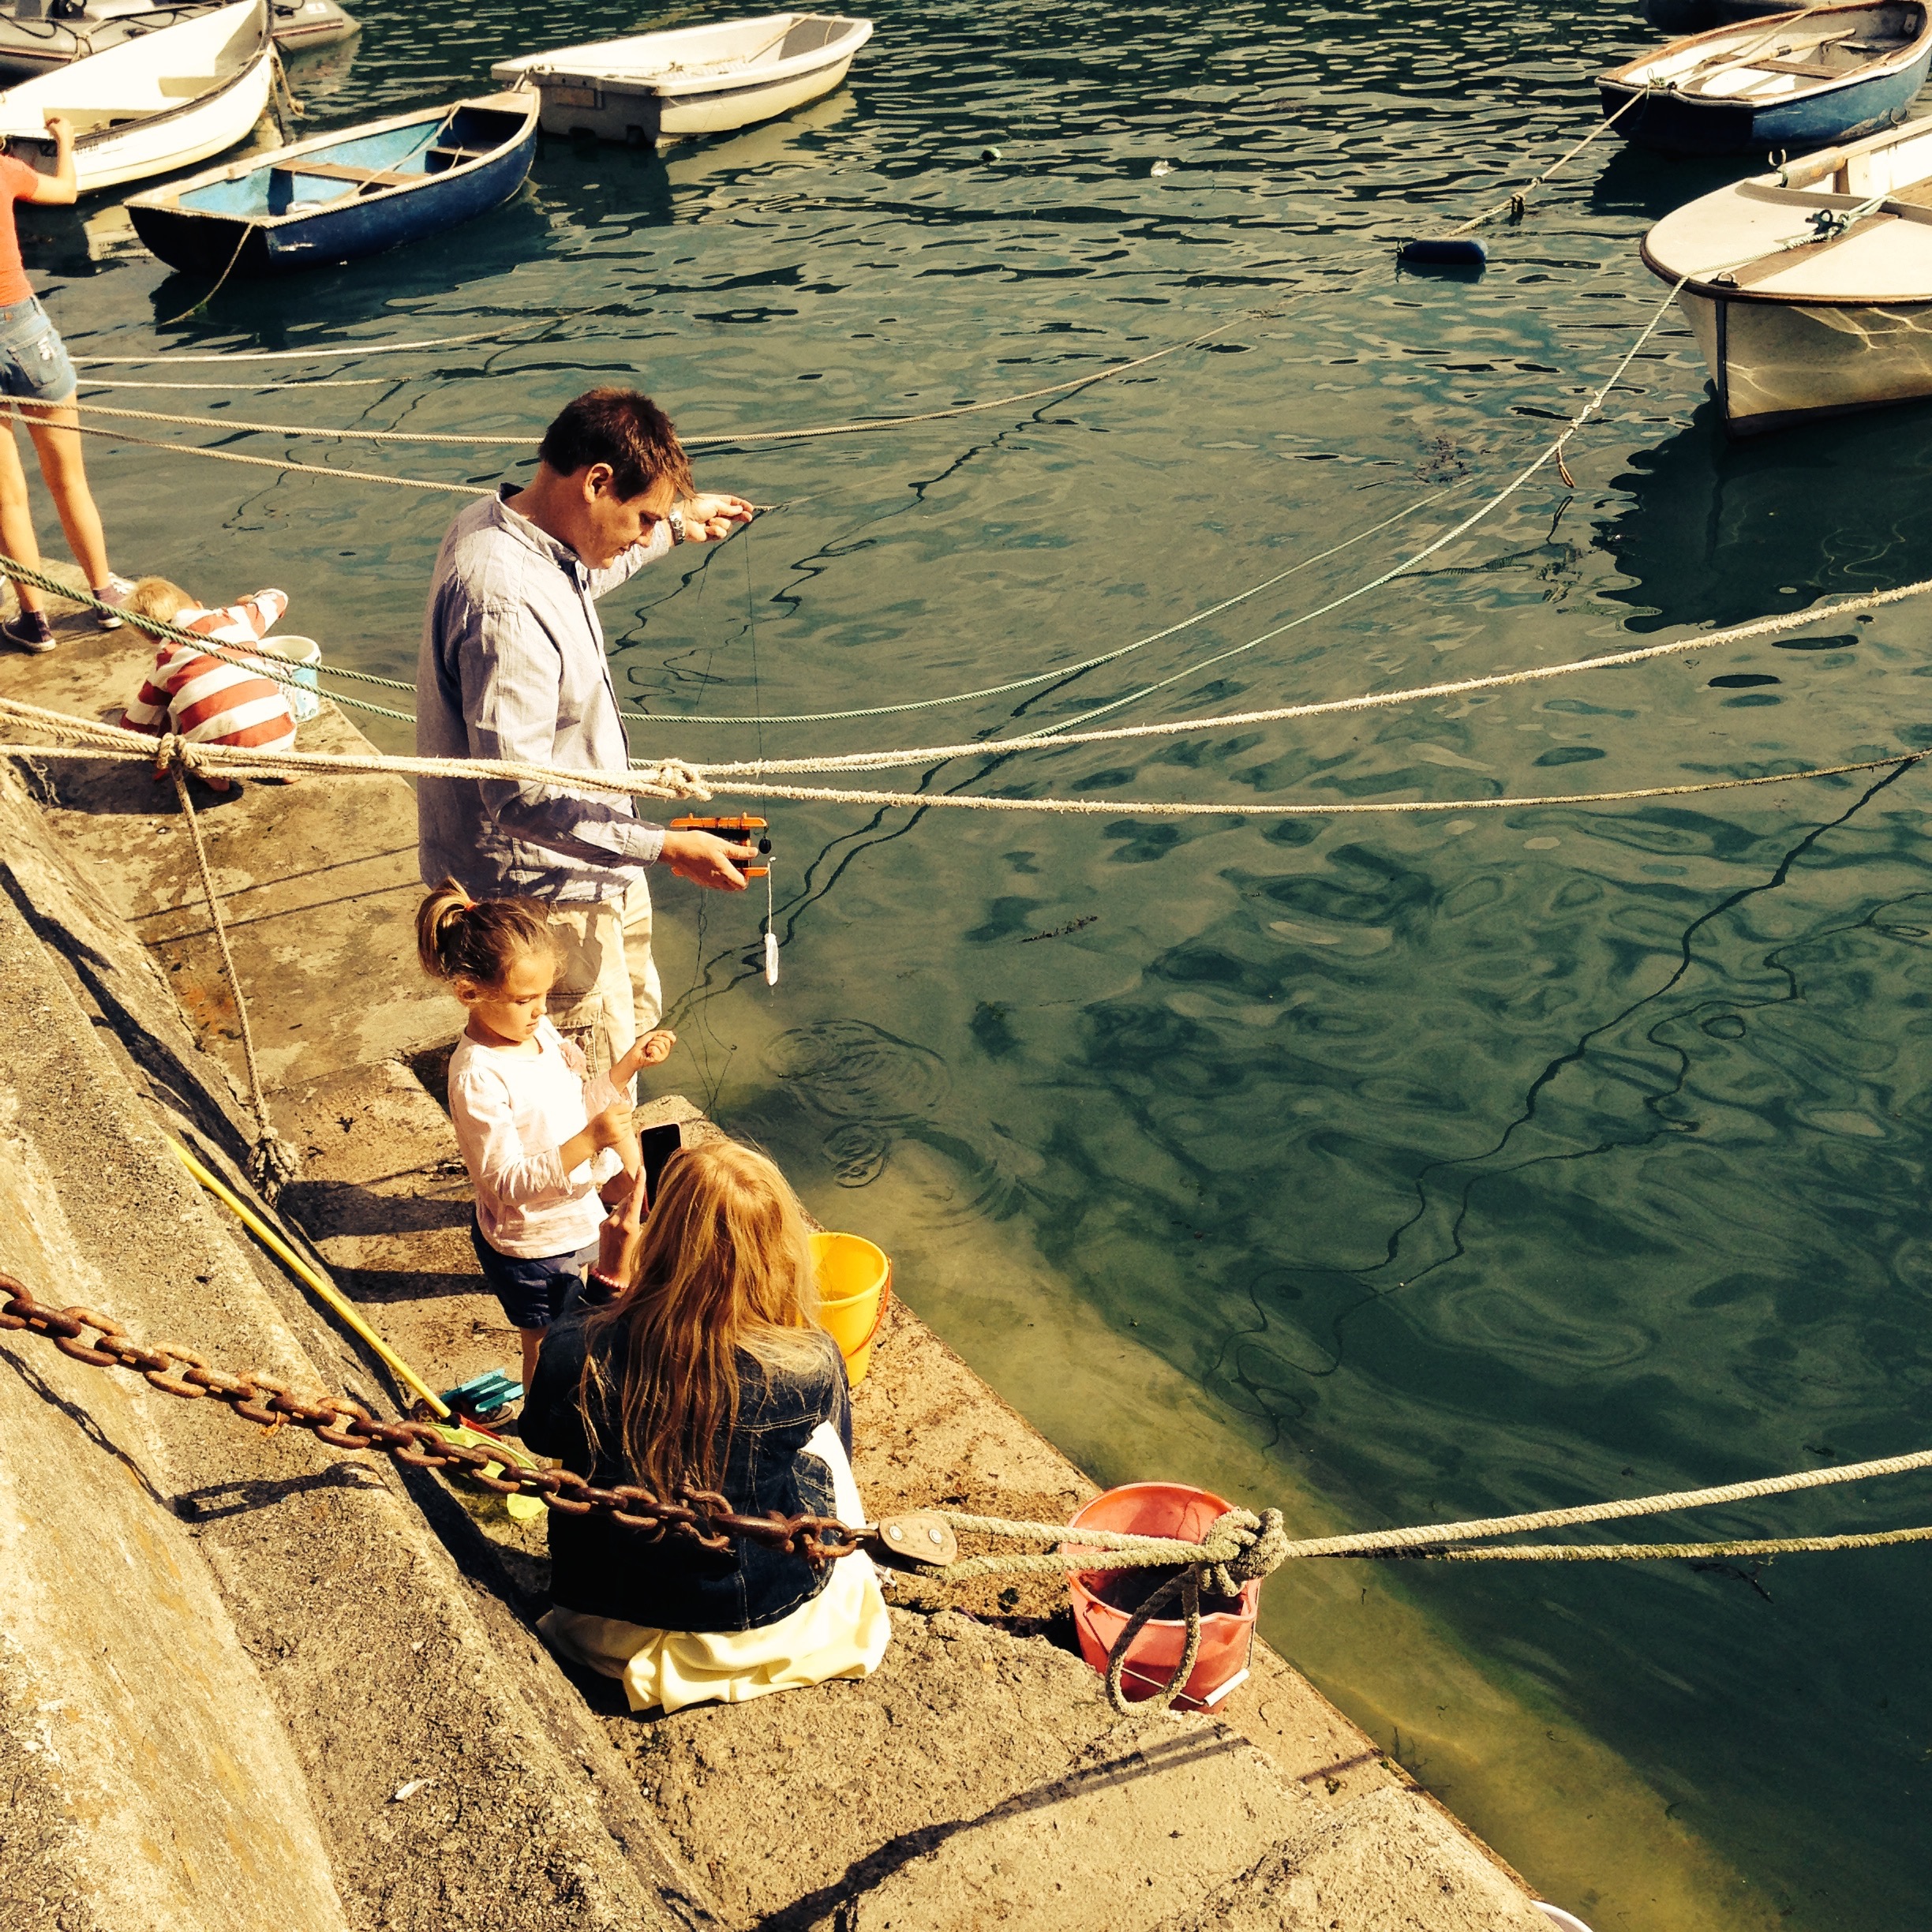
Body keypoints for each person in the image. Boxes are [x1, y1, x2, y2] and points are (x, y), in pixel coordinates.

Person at [417, 386, 757, 1093]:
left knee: (626, 1050)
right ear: (596, 480)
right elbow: (519, 795)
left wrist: (676, 522)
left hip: (593, 870)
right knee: (586, 1096)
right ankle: (595, 1200)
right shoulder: (504, 604)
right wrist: (667, 846)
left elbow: (576, 579)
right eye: (640, 517)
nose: (640, 534)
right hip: (545, 901)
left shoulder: (499, 525)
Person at [523, 1141, 891, 1715]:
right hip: (765, 1615)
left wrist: (602, 1283)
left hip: (606, 1621)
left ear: (661, 1232)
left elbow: (540, 1438)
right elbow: (836, 1451)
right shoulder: (811, 1361)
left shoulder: (579, 1347)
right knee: (822, 1442)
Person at [416, 882, 678, 1390]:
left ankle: (587, 1398)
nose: (540, 1011)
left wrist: (627, 1066)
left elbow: (578, 1103)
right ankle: (543, 1421)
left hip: (581, 1218)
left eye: (542, 996)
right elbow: (504, 1182)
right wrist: (590, 1141)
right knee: (547, 1344)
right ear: (469, 992)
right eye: (523, 999)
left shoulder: (537, 1033)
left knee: (597, 1321)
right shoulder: (478, 1076)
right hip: (533, 1245)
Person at [0, 114, 133, 654]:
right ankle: (104, 598)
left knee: (6, 500)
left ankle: (35, 623)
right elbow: (68, 189)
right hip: (24, 331)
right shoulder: (5, 170)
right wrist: (65, 141)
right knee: (69, 480)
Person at [118, 578, 296, 798]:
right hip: (276, 735)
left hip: (213, 755)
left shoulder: (166, 659)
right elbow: (278, 597)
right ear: (198, 605)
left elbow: (136, 725)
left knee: (177, 709)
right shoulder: (236, 617)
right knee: (279, 659)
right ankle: (286, 764)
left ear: (153, 639)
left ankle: (215, 778)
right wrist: (249, 601)